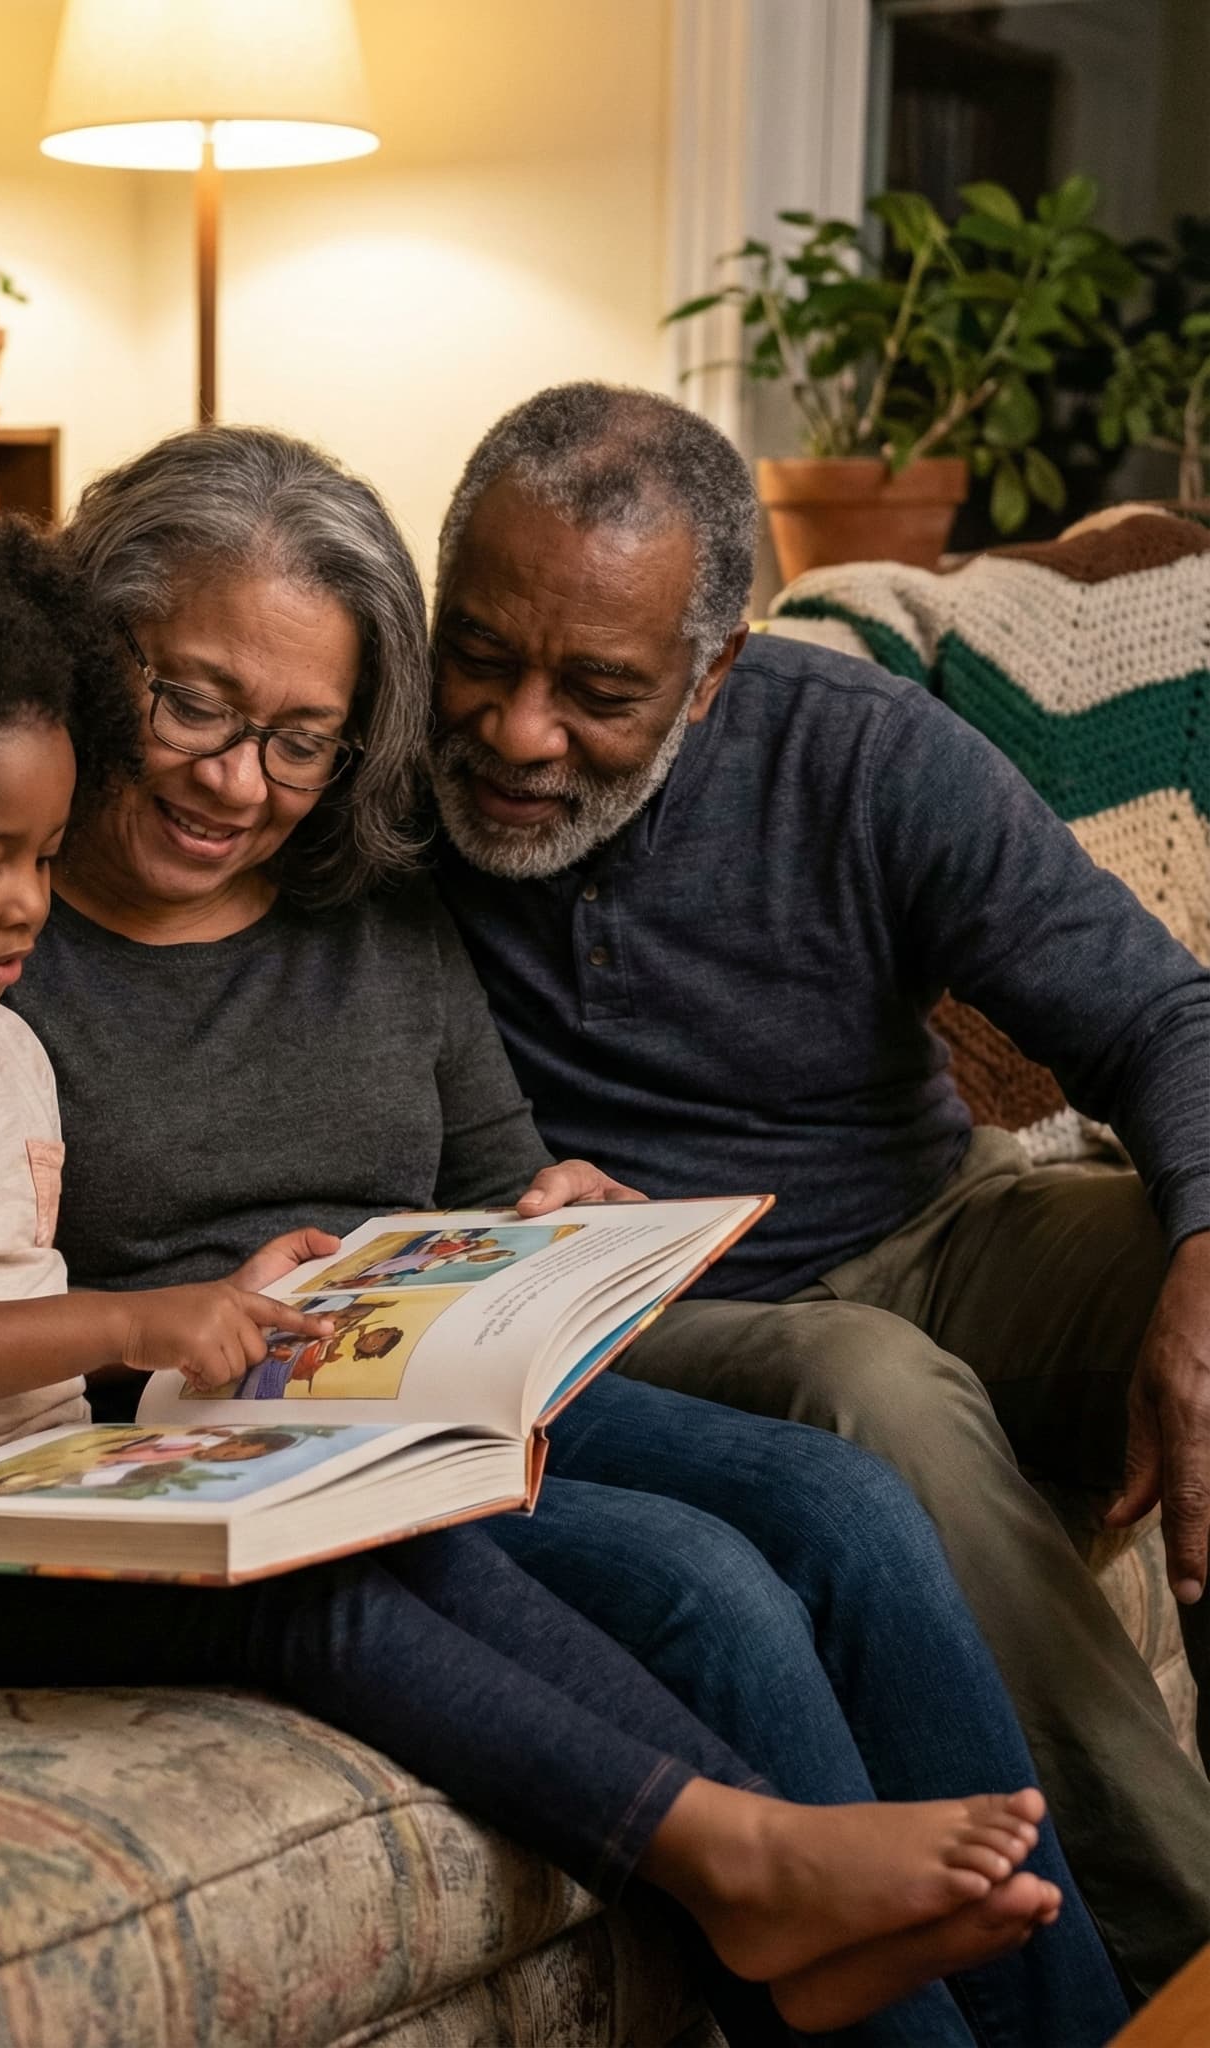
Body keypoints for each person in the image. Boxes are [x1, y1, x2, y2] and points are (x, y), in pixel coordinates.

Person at [0, 431, 1128, 2045]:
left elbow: (498, 1162)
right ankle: (812, 1929)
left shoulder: (370, 893)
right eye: (193, 707)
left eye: (300, 739)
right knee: (702, 1585)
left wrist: (545, 1218)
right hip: (162, 1435)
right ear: (92, 656)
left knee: (845, 1502)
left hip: (421, 1377)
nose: (239, 782)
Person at [425, 379, 1210, 2001]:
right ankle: (1168, 1951)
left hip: (937, 1224)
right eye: (483, 656)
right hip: (648, 1309)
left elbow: (1160, 1014)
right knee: (874, 1388)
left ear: (714, 677)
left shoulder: (861, 755)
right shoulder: (363, 789)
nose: (516, 732)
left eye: (599, 690)